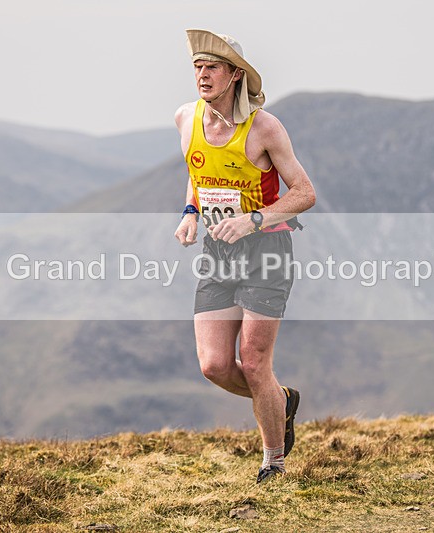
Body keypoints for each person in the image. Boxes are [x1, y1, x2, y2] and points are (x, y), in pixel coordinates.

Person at [173, 29, 316, 483]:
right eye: (197, 67)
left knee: (254, 362)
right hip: (218, 255)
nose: (202, 75)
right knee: (214, 365)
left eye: (211, 67)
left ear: (234, 75)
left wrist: (253, 220)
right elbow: (198, 170)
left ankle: (272, 462)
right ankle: (281, 400)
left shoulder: (264, 127)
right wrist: (191, 212)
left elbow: (305, 193)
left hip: (266, 252)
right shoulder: (185, 119)